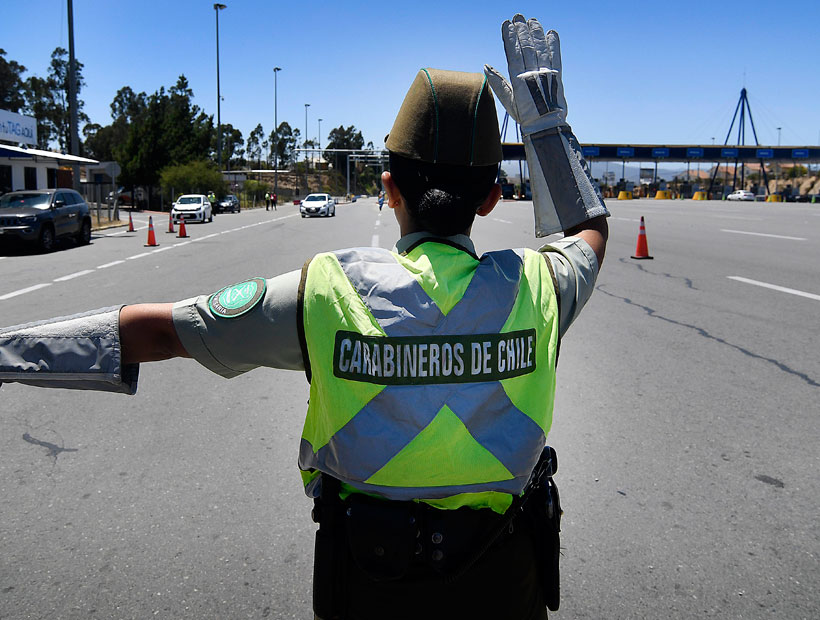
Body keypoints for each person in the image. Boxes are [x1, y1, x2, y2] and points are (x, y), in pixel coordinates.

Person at [0, 15, 608, 620]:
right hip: (503, 585)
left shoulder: (326, 291)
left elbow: (159, 329)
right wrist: (548, 130)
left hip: (368, 583)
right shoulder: (538, 287)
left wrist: (8, 352)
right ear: (491, 199)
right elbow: (589, 231)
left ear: (389, 189)